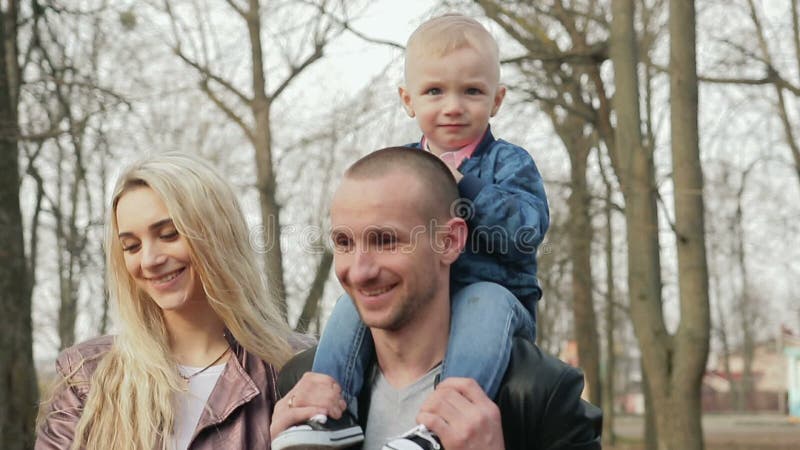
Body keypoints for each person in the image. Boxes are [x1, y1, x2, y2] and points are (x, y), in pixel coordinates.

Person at [274, 13, 550, 449]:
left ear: (496, 100)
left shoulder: (508, 163)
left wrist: (467, 187)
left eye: (472, 91)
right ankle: (327, 410)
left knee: (485, 300)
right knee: (352, 305)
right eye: (435, 91)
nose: (453, 106)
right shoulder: (399, 164)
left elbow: (527, 230)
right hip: (417, 301)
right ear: (408, 100)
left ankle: (440, 426)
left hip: (496, 294)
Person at [270, 147, 601, 450]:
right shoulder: (298, 383)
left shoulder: (541, 392)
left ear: (450, 241)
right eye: (344, 242)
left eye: (385, 240)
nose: (359, 271)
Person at [35, 153, 299, 450]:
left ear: (218, 234)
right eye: (131, 246)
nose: (149, 260)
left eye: (169, 235)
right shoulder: (86, 375)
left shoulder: (293, 369)